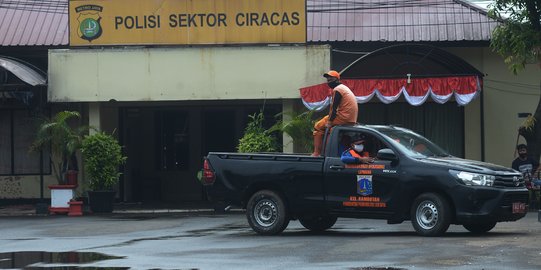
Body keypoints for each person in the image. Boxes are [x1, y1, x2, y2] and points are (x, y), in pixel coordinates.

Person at [311, 70, 358, 156]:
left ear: (337, 79)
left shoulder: (338, 89)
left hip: (343, 117)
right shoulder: (344, 88)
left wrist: (329, 121)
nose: (328, 82)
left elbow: (333, 108)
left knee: (318, 126)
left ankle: (317, 153)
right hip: (350, 119)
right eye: (327, 80)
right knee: (331, 130)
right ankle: (327, 153)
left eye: (331, 79)